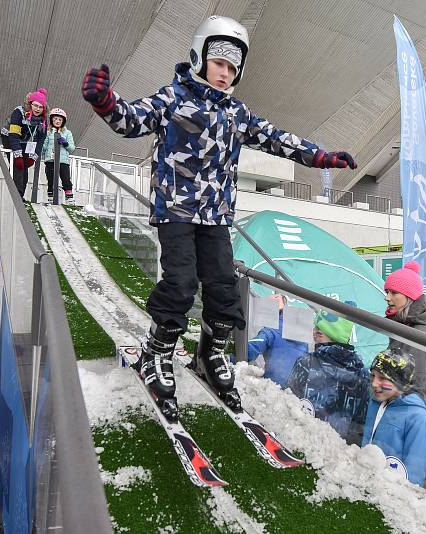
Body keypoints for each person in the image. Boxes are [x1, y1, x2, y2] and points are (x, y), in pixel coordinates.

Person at [81, 15, 357, 417]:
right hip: (176, 209)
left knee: (225, 290)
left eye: (233, 68)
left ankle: (210, 354)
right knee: (179, 282)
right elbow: (131, 120)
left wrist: (320, 157)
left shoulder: (237, 114)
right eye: (219, 63)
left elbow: (276, 138)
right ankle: (157, 353)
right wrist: (105, 101)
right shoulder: (173, 98)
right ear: (199, 56)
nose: (226, 74)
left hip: (215, 216)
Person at [286, 309, 370, 445]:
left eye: (318, 330)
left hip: (302, 442)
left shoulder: (306, 363)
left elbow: (287, 403)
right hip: (340, 453)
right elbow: (361, 424)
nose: (313, 332)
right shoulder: (363, 374)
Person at [361, 349, 426, 486]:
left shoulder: (417, 416)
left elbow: (415, 472)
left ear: (400, 381)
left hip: (393, 491)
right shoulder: (375, 403)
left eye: (382, 378)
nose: (374, 383)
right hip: (367, 481)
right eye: (373, 376)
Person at [383, 260, 426, 402]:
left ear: (409, 297)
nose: (387, 297)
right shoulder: (404, 325)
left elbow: (419, 386)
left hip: (408, 409)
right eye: (387, 292)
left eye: (394, 293)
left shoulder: (419, 333)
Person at [246, 294, 308, 388]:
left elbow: (250, 349)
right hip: (299, 389)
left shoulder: (271, 329)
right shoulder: (302, 332)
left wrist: (229, 355)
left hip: (275, 387)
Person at [0, 88, 48, 196]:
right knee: (18, 164)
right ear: (30, 104)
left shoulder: (43, 119)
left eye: (41, 107)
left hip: (25, 140)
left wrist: (33, 156)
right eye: (35, 105)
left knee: (25, 164)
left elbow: (41, 139)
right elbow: (14, 134)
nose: (38, 109)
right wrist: (17, 154)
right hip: (9, 135)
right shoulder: (19, 112)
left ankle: (21, 193)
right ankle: (17, 194)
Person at [40, 107, 76, 204]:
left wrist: (65, 143)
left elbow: (72, 148)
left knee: (66, 179)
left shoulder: (67, 133)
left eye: (60, 119)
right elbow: (44, 146)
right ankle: (51, 198)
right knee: (51, 180)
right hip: (50, 160)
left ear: (63, 121)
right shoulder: (48, 132)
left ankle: (69, 199)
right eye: (55, 119)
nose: (57, 121)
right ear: (51, 120)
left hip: (63, 161)